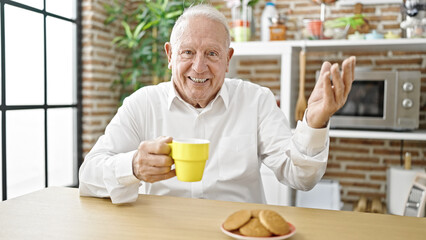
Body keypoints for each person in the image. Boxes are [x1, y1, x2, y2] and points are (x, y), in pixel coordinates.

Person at [79, 4, 356, 204]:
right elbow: (88, 176)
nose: (199, 67)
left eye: (212, 53)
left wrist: (314, 122)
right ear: (170, 55)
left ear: (228, 59)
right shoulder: (142, 104)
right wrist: (133, 166)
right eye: (188, 52)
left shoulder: (256, 100)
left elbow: (301, 177)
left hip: (238, 233)